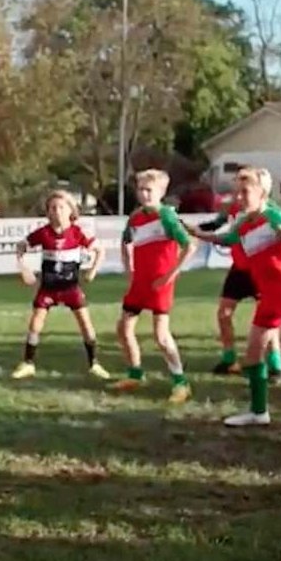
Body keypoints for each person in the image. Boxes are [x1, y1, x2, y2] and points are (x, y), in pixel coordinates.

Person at [192, 167, 281, 429]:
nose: (238, 197)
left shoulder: (273, 216)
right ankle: (258, 412)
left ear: (262, 193)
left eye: (245, 192)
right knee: (252, 354)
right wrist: (194, 232)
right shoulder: (243, 222)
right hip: (268, 294)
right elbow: (225, 238)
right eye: (236, 192)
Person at [110, 169, 196, 403]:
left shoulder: (167, 216)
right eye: (141, 189)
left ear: (161, 192)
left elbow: (190, 247)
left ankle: (181, 382)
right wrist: (129, 267)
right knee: (123, 328)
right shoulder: (136, 217)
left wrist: (170, 275)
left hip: (160, 283)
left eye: (149, 190)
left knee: (161, 335)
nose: (144, 194)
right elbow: (126, 241)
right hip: (140, 283)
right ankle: (135, 374)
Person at [11, 190, 110, 380]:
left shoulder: (77, 232)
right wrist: (23, 268)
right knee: (35, 323)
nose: (57, 211)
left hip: (70, 288)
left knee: (85, 324)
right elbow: (20, 246)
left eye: (61, 207)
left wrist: (92, 271)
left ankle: (94, 363)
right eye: (53, 208)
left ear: (70, 210)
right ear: (48, 211)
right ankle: (28, 363)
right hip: (48, 288)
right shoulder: (43, 233)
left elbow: (100, 250)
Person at [194, 191, 281, 380]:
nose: (240, 194)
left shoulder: (270, 210)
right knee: (224, 313)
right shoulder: (231, 208)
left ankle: (276, 365)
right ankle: (229, 359)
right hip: (240, 269)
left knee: (268, 319)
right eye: (238, 188)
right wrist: (191, 229)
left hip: (261, 269)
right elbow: (216, 226)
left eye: (245, 189)